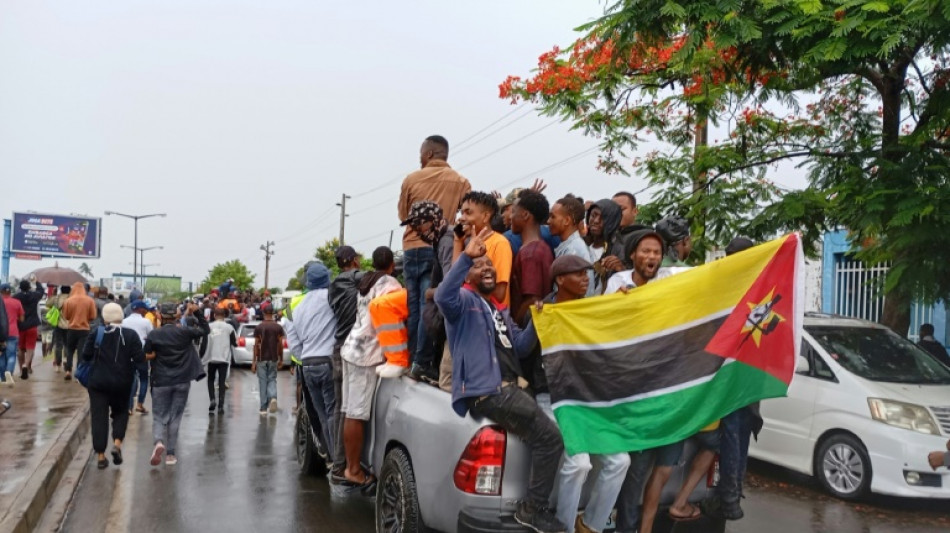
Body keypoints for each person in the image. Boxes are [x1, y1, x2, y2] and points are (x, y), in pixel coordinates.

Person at [435, 227, 566, 533]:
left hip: (510, 389)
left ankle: (531, 504)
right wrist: (467, 256)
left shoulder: (498, 310)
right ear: (468, 275)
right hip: (489, 391)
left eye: (490, 265)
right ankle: (532, 510)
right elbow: (442, 296)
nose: (488, 268)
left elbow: (520, 347)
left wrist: (536, 319)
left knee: (544, 437)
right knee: (551, 438)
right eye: (480, 266)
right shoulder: (462, 302)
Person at [539, 255, 631, 533]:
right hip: (552, 399)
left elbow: (608, 320)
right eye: (578, 274)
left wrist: (621, 301)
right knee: (579, 464)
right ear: (559, 280)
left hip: (585, 401)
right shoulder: (544, 309)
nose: (585, 278)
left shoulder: (587, 309)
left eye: (587, 273)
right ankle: (563, 527)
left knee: (620, 460)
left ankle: (590, 525)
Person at [605, 229, 679, 533]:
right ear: (633, 255)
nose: (652, 257)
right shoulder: (616, 283)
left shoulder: (668, 281)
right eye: (646, 252)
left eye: (657, 253)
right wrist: (617, 304)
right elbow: (604, 325)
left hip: (662, 388)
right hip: (630, 392)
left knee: (660, 467)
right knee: (635, 471)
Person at [399, 135, 472, 385]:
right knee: (430, 305)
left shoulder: (411, 179)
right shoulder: (462, 181)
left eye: (421, 154)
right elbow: (468, 214)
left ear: (429, 154)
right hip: (445, 245)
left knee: (416, 307)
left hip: (411, 248)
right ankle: (425, 360)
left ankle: (414, 361)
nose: (419, 160)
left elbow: (402, 213)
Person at [703, 236, 763, 521]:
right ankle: (729, 493)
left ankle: (732, 492)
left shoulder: (761, 288)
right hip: (725, 373)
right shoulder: (723, 287)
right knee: (730, 433)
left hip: (746, 374)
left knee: (738, 431)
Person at [339, 247, 400, 487]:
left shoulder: (366, 280)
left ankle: (354, 465)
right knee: (356, 413)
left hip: (352, 347)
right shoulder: (390, 284)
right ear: (392, 265)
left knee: (350, 411)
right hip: (366, 354)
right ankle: (353, 469)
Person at [285, 262, 339, 468]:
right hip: (327, 362)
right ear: (327, 278)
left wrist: (305, 357)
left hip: (307, 365)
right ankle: (339, 461)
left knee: (322, 415)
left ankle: (332, 459)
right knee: (333, 411)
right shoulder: (332, 299)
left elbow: (294, 345)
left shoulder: (295, 309)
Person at [144, 302, 209, 466]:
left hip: (160, 380)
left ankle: (158, 442)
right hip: (182, 380)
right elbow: (205, 330)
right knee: (175, 417)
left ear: (160, 315)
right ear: (177, 316)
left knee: (159, 416)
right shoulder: (184, 332)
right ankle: (171, 454)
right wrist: (198, 313)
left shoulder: (154, 335)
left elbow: (148, 354)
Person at [82, 303, 145, 469]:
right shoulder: (131, 335)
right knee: (120, 413)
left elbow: (86, 355)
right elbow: (140, 360)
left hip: (98, 382)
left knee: (99, 417)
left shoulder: (96, 333)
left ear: (104, 317)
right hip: (122, 382)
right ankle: (117, 444)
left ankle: (101, 456)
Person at [401, 201, 454, 389]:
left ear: (432, 220)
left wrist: (432, 292)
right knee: (416, 309)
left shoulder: (447, 239)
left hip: (454, 306)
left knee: (425, 307)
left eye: (419, 224)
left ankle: (422, 362)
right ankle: (418, 360)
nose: (416, 230)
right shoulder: (438, 239)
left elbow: (450, 281)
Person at [328, 245, 364, 478]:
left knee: (341, 408)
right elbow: (377, 276)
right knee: (348, 410)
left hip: (339, 347)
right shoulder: (353, 278)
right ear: (352, 260)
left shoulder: (334, 286)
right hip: (352, 348)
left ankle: (338, 462)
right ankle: (342, 465)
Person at [509, 189, 554, 326]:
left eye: (513, 212)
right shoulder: (539, 248)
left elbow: (532, 300)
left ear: (525, 215)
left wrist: (513, 327)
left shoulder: (530, 254)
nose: (510, 217)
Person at [548, 195, 596, 297]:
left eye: (553, 217)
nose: (548, 221)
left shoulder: (575, 250)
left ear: (567, 221)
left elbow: (586, 292)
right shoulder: (568, 246)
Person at [585, 199, 624, 293]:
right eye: (593, 215)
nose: (596, 221)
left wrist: (621, 269)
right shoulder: (581, 245)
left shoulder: (619, 250)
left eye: (602, 218)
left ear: (612, 222)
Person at [122, 300, 153, 415]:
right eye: (144, 309)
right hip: (142, 354)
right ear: (140, 309)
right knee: (144, 379)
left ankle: (129, 407)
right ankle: (140, 405)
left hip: (127, 354)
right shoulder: (146, 322)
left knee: (131, 378)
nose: (145, 311)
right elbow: (151, 336)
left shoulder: (124, 321)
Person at [253, 303, 285, 415]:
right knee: (272, 378)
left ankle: (263, 408)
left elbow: (256, 345)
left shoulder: (259, 327)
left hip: (262, 358)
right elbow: (280, 344)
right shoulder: (278, 327)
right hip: (273, 357)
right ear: (273, 313)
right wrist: (281, 358)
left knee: (263, 381)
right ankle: (273, 398)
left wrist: (254, 362)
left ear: (263, 313)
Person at [61, 282, 97, 381]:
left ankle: (68, 370)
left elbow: (66, 316)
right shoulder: (89, 301)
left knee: (69, 350)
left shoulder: (68, 301)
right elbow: (93, 316)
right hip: (84, 330)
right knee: (81, 352)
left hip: (71, 329)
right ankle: (78, 372)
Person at [203, 307, 236, 413]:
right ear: (225, 316)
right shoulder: (229, 327)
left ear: (214, 315)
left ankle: (212, 399)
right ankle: (221, 405)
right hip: (224, 358)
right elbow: (234, 342)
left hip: (211, 357)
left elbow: (204, 342)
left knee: (210, 380)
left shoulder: (209, 326)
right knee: (221, 382)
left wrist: (201, 356)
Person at [14, 279, 44, 379]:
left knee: (20, 349)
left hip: (20, 326)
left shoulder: (16, 297)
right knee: (30, 348)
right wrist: (37, 281)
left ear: (20, 288)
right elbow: (41, 291)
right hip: (32, 326)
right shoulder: (34, 296)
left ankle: (21, 369)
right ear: (29, 287)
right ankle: (26, 365)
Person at [1, 284, 24, 385]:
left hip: (1, 332)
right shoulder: (17, 302)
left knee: (1, 356)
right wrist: (15, 318)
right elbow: (22, 319)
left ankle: (2, 377)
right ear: (10, 291)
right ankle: (9, 373)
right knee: (11, 355)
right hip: (13, 332)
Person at [49, 285, 71, 372]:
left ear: (61, 290)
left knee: (58, 345)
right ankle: (66, 359)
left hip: (58, 324)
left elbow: (48, 304)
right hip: (70, 325)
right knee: (68, 345)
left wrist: (54, 294)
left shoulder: (56, 298)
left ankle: (58, 364)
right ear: (69, 290)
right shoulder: (72, 299)